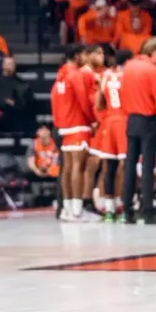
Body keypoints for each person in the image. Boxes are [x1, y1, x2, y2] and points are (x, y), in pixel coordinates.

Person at [121, 36, 156, 223]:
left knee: (129, 164)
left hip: (131, 119)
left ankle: (126, 208)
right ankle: (147, 209)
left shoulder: (128, 67)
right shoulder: (152, 70)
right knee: (147, 166)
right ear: (155, 52)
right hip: (148, 120)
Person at [50, 44, 96, 222]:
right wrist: (92, 119)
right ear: (77, 56)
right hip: (78, 124)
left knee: (67, 168)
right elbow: (84, 100)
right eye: (85, 55)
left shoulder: (60, 76)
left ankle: (67, 209)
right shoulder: (75, 75)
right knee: (78, 166)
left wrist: (60, 123)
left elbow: (54, 101)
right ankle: (77, 210)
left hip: (64, 125)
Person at [92, 49, 131, 218]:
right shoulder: (128, 77)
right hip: (124, 119)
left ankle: (109, 207)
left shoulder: (106, 75)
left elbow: (99, 103)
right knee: (126, 165)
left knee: (109, 166)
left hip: (109, 120)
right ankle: (124, 204)